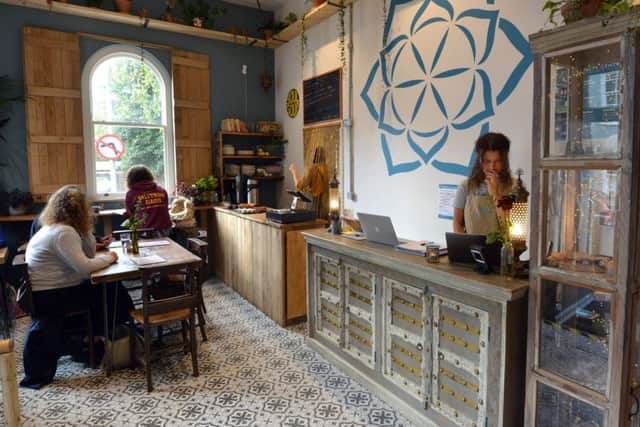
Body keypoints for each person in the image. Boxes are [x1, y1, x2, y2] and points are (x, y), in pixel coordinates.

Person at [21, 185, 133, 389]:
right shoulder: (64, 232)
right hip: (52, 296)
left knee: (106, 288)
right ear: (80, 210)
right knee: (111, 287)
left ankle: (101, 334)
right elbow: (85, 268)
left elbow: (88, 255)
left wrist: (86, 233)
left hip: (44, 294)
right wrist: (109, 256)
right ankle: (111, 332)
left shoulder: (53, 227)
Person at [453, 132, 514, 235]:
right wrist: (463, 246)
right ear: (479, 161)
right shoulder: (466, 186)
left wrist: (495, 194)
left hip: (503, 249)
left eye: (497, 161)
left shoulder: (515, 187)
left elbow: (509, 226)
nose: (492, 167)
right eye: (487, 161)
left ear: (505, 161)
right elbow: (457, 223)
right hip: (471, 248)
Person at [125, 165, 172, 237]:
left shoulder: (131, 194)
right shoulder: (162, 191)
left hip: (144, 231)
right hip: (165, 230)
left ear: (131, 179)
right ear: (149, 176)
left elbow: (131, 215)